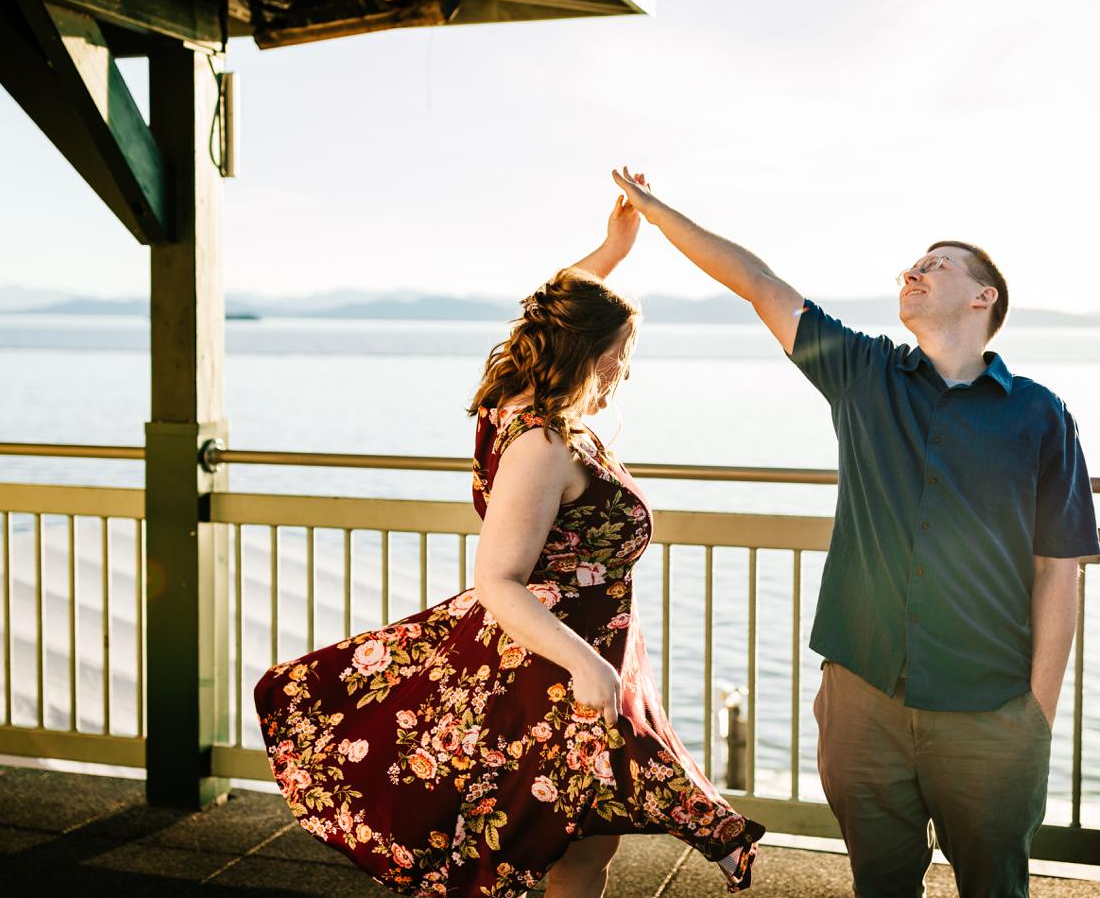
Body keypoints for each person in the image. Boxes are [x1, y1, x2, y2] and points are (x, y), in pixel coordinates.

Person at [253, 187, 764, 898]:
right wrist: (589, 667)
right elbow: (499, 579)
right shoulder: (543, 443)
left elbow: (548, 305)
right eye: (621, 354)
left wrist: (611, 254)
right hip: (555, 670)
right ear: (585, 352)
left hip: (574, 660)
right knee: (570, 854)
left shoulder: (518, 403)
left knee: (573, 847)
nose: (625, 370)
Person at [610, 168, 1099, 898]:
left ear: (982, 296)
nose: (915, 271)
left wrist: (1036, 716)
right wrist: (653, 212)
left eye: (935, 265)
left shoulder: (1039, 415)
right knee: (880, 885)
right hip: (862, 702)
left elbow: (1060, 569)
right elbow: (757, 281)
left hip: (990, 711)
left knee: (996, 889)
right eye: (912, 264)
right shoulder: (865, 373)